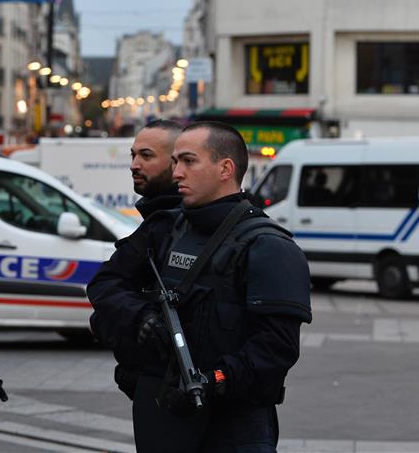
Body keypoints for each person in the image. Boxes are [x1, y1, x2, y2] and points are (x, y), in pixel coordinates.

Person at [88, 121, 312, 452]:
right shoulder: (165, 229)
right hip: (165, 414)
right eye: (175, 161)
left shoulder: (268, 246)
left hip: (235, 424)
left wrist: (212, 381)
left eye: (188, 161)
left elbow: (275, 349)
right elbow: (105, 284)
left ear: (225, 168)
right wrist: (142, 318)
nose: (177, 172)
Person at [130, 119, 184, 218]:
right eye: (133, 155)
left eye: (146, 155)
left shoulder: (187, 223)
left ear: (176, 161)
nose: (133, 166)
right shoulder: (155, 214)